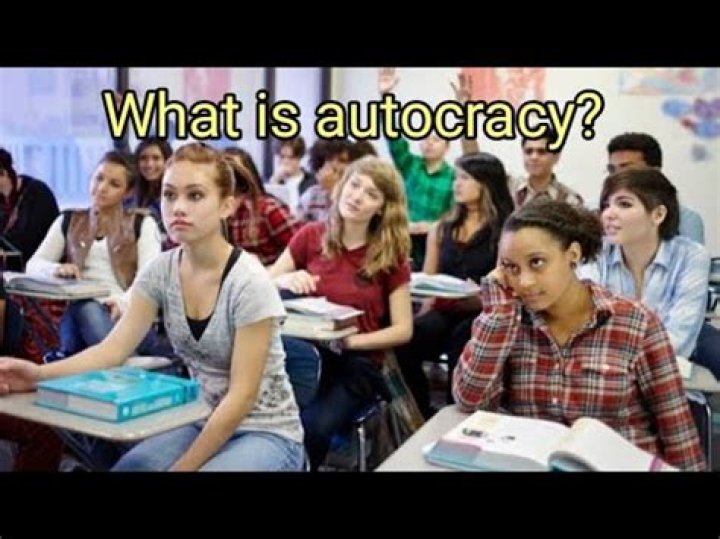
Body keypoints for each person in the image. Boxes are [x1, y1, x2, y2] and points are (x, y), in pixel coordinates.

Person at [0, 142, 304, 471]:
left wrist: (183, 467)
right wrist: (38, 375)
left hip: (267, 431)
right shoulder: (161, 271)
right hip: (204, 418)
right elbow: (111, 351)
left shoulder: (249, 281)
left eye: (195, 195)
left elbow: (241, 397)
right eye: (169, 195)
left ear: (226, 206)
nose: (178, 207)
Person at [452, 199, 705, 471]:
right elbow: (469, 400)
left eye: (537, 262)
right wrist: (499, 314)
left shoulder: (635, 323)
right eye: (511, 268)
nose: (524, 282)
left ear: (572, 254)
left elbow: (676, 429)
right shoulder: (508, 322)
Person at [269, 155, 413, 470]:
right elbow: (265, 283)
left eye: (371, 194)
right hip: (304, 354)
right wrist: (285, 279)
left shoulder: (390, 255)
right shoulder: (310, 235)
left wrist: (349, 342)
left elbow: (403, 329)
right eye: (354, 185)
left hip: (356, 363)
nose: (357, 196)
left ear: (383, 208)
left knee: (313, 426)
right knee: (266, 418)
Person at [395, 152, 514, 418]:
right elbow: (429, 280)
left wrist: (478, 296)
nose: (456, 184)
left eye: (465, 178)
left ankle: (457, 416)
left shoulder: (504, 231)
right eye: (456, 178)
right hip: (444, 308)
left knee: (463, 339)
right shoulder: (442, 228)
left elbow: (506, 288)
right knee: (408, 339)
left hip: (482, 311)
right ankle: (421, 411)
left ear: (485, 183)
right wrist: (423, 313)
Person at [26, 151, 169, 358]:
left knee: (85, 314)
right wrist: (56, 269)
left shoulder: (142, 223)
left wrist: (122, 302)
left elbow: (149, 278)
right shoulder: (68, 220)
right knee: (84, 307)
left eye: (114, 184)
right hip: (80, 310)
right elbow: (33, 265)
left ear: (128, 192)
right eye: (98, 178)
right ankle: (126, 362)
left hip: (125, 316)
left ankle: (101, 359)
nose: (102, 188)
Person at [578, 167, 718, 378]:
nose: (608, 214)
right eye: (606, 205)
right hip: (604, 378)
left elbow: (680, 338)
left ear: (658, 214)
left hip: (663, 376)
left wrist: (620, 355)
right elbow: (587, 323)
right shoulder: (596, 251)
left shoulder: (692, 256)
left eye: (624, 204)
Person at [378, 68, 454, 270]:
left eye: (436, 139)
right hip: (401, 237)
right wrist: (386, 97)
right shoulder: (409, 164)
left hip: (434, 242)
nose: (429, 143)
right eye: (425, 138)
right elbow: (394, 137)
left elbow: (455, 213)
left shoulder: (454, 176)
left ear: (447, 147)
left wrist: (433, 226)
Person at [606, 132, 704, 244]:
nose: (616, 177)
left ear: (655, 172)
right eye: (612, 170)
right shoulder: (596, 214)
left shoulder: (686, 220)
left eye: (627, 169)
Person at [223, 147, 301, 266]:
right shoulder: (213, 213)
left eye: (237, 172)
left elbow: (302, 251)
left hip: (271, 273)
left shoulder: (268, 209)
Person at [0, 147, 59, 269]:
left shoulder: (38, 193)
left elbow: (27, 243)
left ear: (4, 173)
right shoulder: (3, 200)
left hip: (38, 268)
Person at [297, 139, 351, 223]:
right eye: (329, 159)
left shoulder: (354, 195)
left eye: (342, 160)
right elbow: (298, 227)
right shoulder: (311, 195)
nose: (334, 165)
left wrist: (332, 190)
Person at [267, 136, 316, 214]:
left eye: (291, 158)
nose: (286, 161)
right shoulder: (273, 181)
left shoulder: (312, 182)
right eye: (282, 157)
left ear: (300, 158)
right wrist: (274, 181)